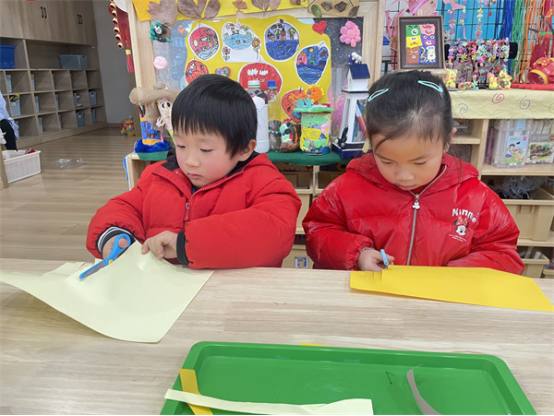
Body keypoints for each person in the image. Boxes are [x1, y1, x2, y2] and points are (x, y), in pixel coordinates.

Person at [303, 70, 524, 274]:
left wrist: (458, 274)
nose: (403, 176)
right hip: (371, 298)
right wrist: (358, 254)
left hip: (441, 300)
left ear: (447, 141)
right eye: (387, 161)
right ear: (371, 141)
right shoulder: (347, 189)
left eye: (420, 163)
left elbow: (503, 253)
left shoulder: (475, 197)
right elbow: (318, 232)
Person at [87, 75, 302, 269]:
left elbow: (274, 232)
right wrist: (113, 234)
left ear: (244, 149)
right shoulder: (157, 177)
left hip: (233, 294)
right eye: (181, 145)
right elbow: (123, 207)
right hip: (166, 292)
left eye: (205, 149)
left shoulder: (265, 182)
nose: (189, 161)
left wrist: (185, 245)